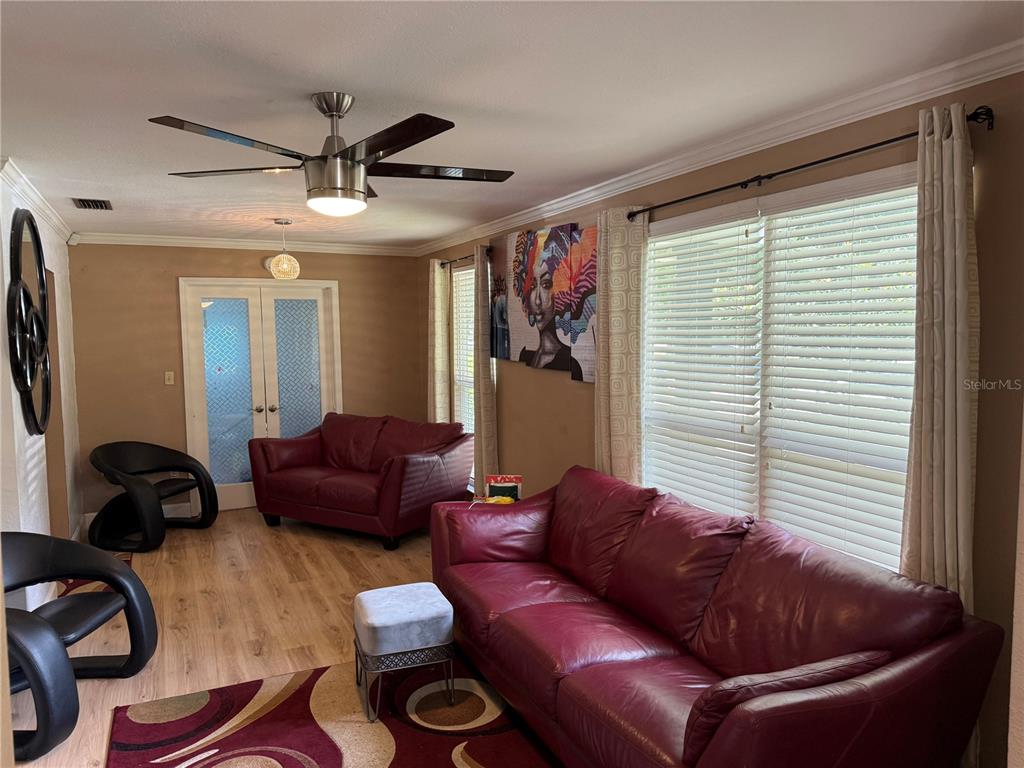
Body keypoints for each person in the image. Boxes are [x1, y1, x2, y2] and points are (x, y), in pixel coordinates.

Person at [513, 226, 583, 380]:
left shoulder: (571, 363)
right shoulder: (525, 355)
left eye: (546, 285)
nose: (537, 300)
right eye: (532, 286)